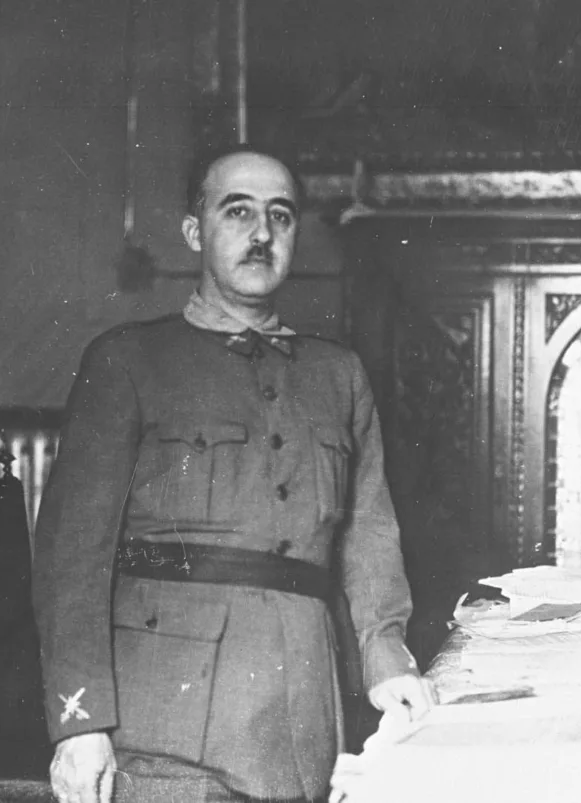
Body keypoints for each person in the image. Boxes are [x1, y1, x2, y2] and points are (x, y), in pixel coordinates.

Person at [32, 144, 435, 803]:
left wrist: (385, 656)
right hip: (162, 725)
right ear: (195, 232)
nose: (262, 233)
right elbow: (71, 557)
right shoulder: (128, 362)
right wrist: (80, 722)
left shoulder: (338, 375)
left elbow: (368, 534)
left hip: (302, 716)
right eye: (238, 211)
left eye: (281, 215)